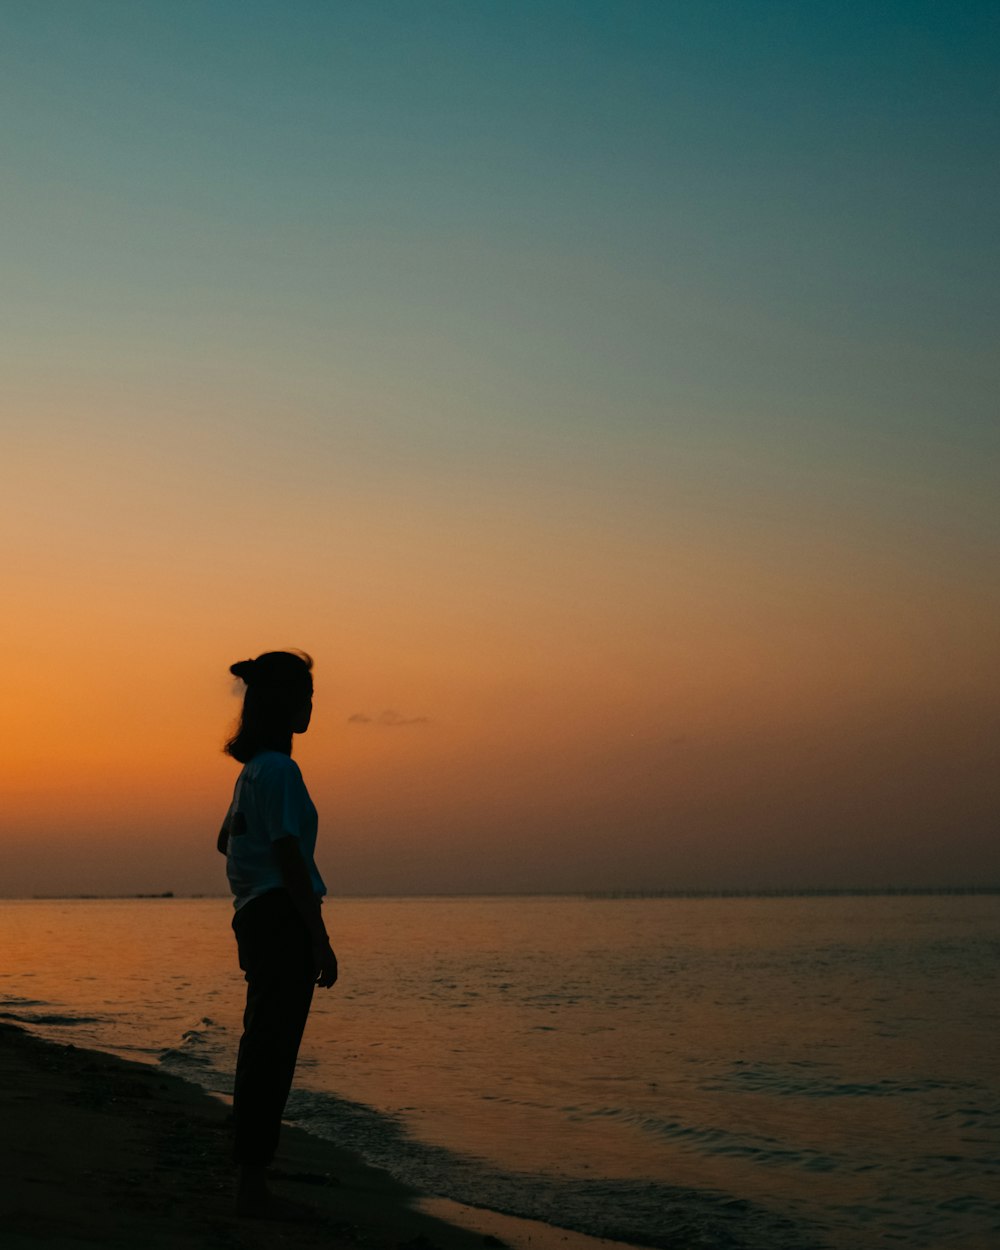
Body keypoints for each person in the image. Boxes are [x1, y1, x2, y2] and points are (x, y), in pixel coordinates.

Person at [217, 649, 338, 1218]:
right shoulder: (281, 771)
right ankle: (251, 1182)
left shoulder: (252, 773)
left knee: (262, 1042)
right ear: (284, 702)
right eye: (306, 695)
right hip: (279, 917)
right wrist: (319, 936)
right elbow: (288, 853)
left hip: (253, 916)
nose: (312, 704)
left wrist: (250, 859)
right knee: (273, 1048)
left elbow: (228, 839)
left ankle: (251, 1171)